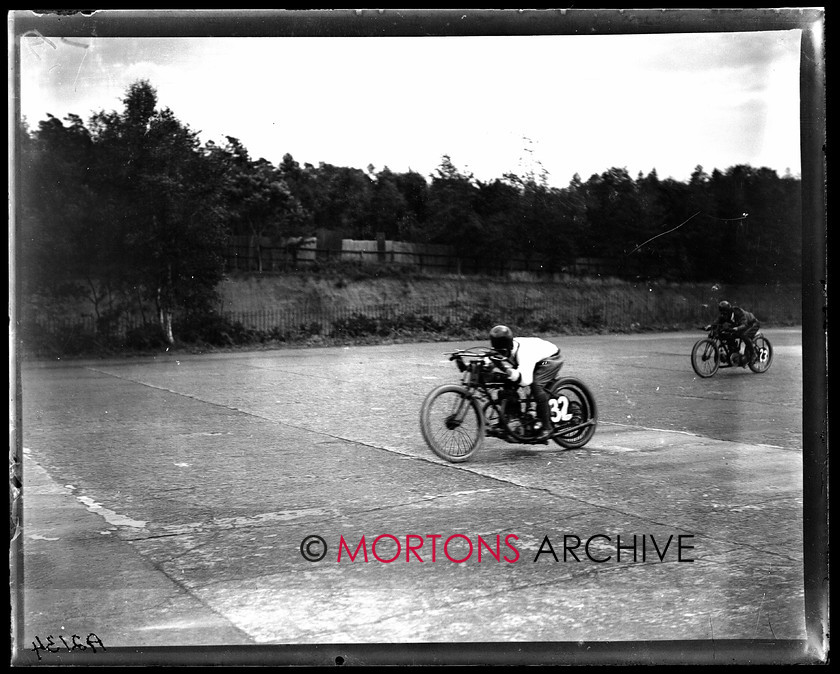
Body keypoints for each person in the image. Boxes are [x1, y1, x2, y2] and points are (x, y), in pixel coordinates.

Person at [488, 325, 566, 442]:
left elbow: (525, 380)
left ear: (509, 347)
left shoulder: (524, 353)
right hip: (535, 359)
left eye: (502, 352)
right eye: (497, 351)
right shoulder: (503, 348)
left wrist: (505, 369)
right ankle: (510, 419)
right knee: (508, 383)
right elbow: (488, 362)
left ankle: (547, 427)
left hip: (549, 360)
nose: (500, 354)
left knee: (536, 385)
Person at [714, 300, 761, 365]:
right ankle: (734, 353)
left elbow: (744, 324)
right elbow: (717, 322)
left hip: (752, 323)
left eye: (725, 313)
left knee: (745, 336)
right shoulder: (725, 315)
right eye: (722, 313)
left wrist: (737, 328)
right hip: (741, 325)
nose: (723, 315)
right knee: (728, 334)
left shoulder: (738, 312)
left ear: (729, 311)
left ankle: (753, 354)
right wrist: (710, 326)